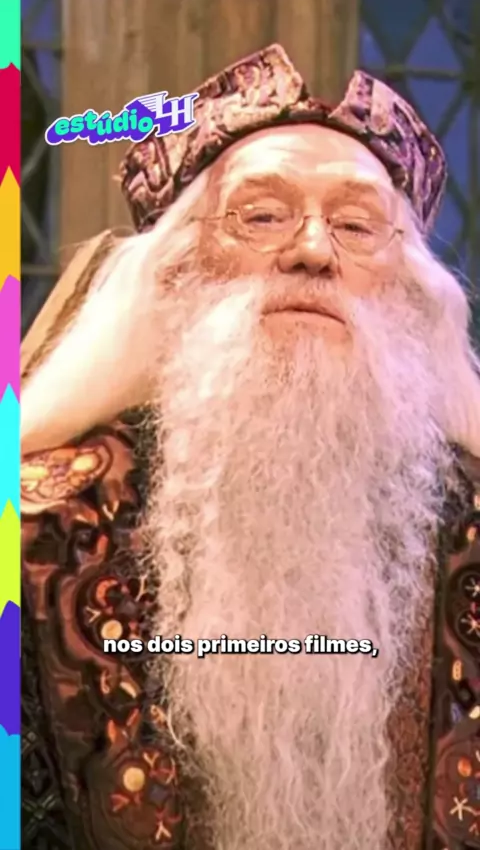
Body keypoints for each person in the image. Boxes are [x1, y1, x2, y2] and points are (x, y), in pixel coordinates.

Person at [20, 44, 480, 850]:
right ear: (175, 274)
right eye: (262, 216)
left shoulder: (468, 527)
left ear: (410, 296)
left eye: (356, 225)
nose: (313, 251)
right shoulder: (33, 535)